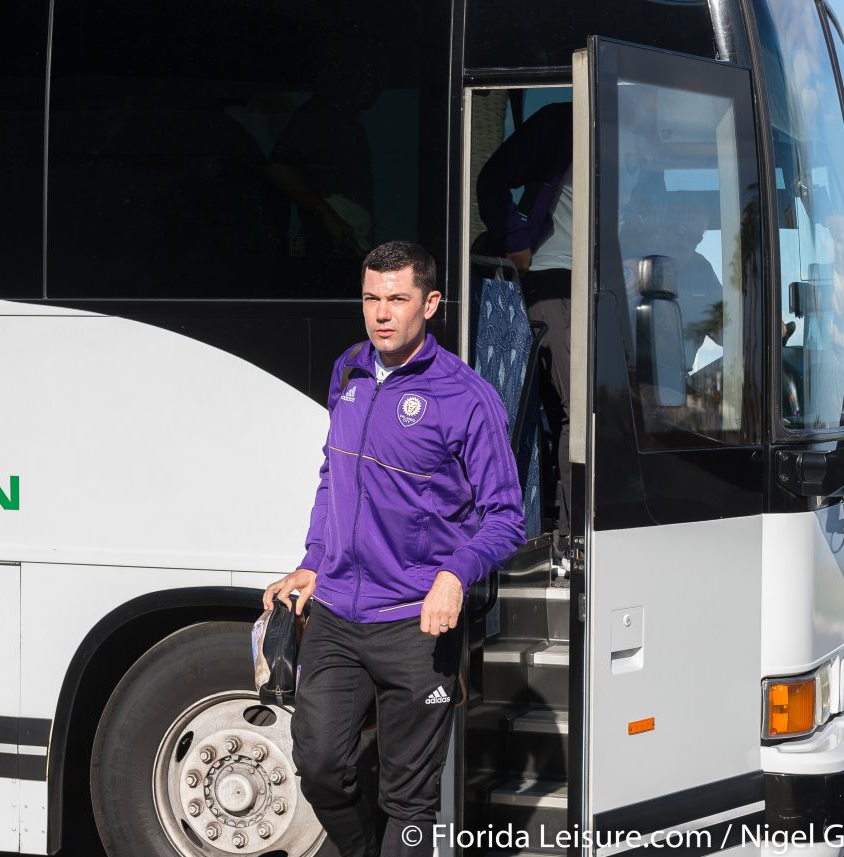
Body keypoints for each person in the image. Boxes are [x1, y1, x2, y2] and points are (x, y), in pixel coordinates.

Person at [262, 240, 526, 857]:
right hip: (334, 614)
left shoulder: (467, 397)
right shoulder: (349, 369)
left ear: (430, 304)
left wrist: (455, 576)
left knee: (409, 802)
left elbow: (506, 517)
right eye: (371, 299)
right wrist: (312, 560)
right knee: (320, 768)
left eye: (398, 300)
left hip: (415, 625)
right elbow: (334, 477)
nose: (382, 314)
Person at [476, 101, 573, 564]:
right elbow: (491, 178)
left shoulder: (641, 131)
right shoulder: (560, 120)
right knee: (584, 415)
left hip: (603, 288)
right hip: (554, 278)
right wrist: (516, 241)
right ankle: (577, 544)